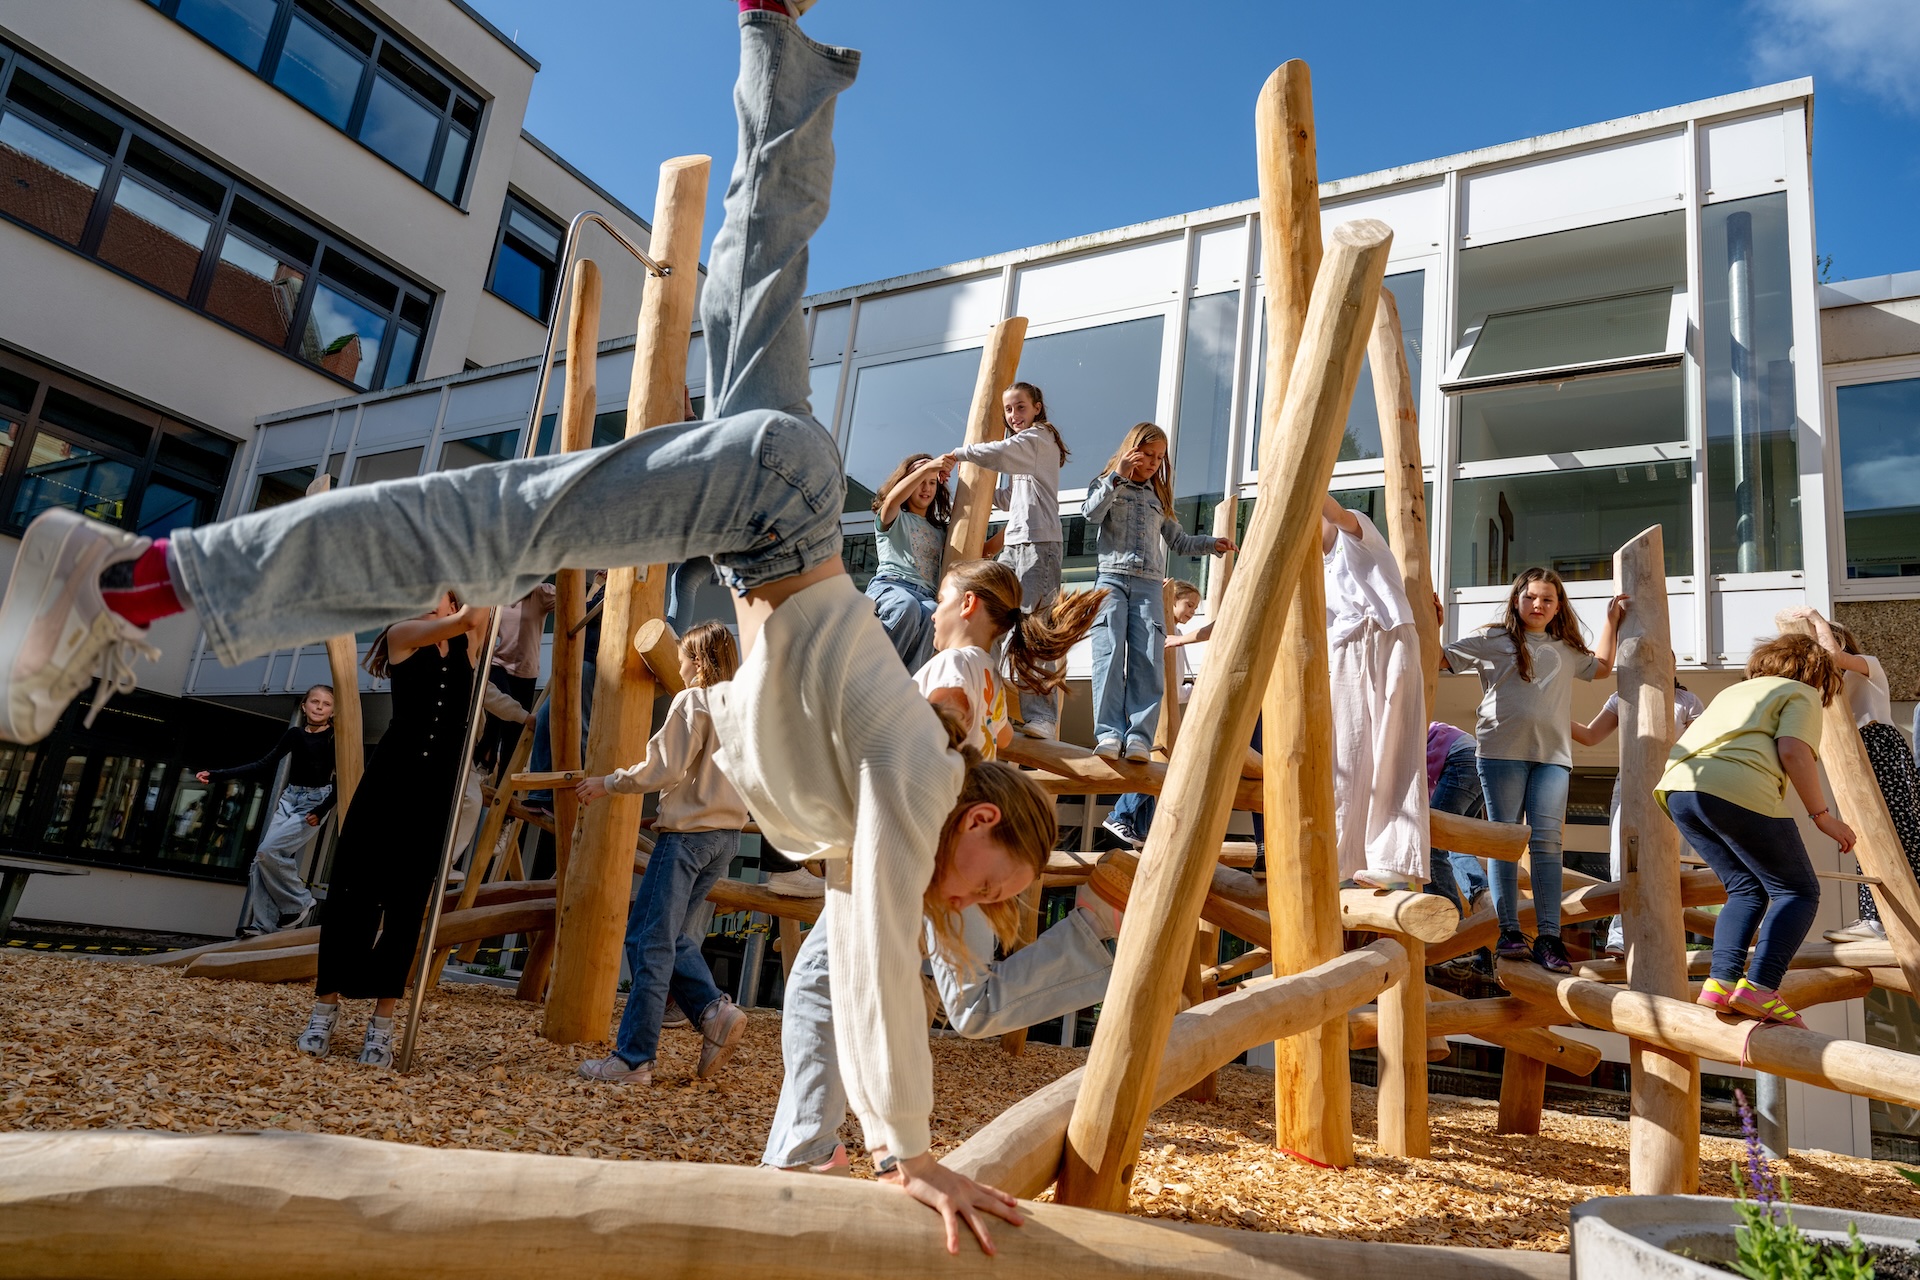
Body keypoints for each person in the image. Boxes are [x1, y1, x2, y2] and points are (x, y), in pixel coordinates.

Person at [0, 6, 1035, 1251]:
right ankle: (129, 579)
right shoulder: (919, 782)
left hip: (778, 511)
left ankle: (772, 32)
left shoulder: (886, 777)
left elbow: (844, 925)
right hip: (776, 508)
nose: (965, 905)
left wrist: (876, 1128)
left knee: (765, 250)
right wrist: (910, 1146)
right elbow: (870, 949)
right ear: (982, 821)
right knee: (496, 522)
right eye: (992, 885)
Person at [764, 559, 1104, 1171]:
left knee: (822, 983)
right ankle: (1097, 936)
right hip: (959, 849)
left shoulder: (954, 664)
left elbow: (936, 726)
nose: (932, 615)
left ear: (968, 604)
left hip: (928, 842)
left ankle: (811, 1150)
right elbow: (995, 745)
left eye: (940, 600)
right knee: (958, 1001)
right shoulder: (992, 680)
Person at [296, 595, 488, 1066]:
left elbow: (478, 615)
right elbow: (468, 615)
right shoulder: (402, 633)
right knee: (353, 894)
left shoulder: (468, 641)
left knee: (407, 904)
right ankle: (325, 1009)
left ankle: (381, 1023)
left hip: (436, 788)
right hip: (389, 782)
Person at [576, 622, 751, 1086]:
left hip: (688, 836)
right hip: (726, 838)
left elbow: (664, 767)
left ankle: (635, 1058)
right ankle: (713, 1013)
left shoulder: (693, 701)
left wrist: (609, 782)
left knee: (647, 941)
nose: (678, 667)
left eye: (682, 658)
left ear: (697, 661)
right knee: (671, 938)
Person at [1657, 633, 1857, 1026]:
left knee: (1746, 888)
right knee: (1797, 891)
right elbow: (1794, 751)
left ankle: (1720, 984)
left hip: (1679, 790)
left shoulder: (1733, 693)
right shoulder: (1800, 692)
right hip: (1734, 787)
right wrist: (1822, 816)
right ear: (1817, 673)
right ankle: (1761, 987)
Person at [1441, 568, 1626, 972]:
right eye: (1530, 597)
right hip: (1500, 754)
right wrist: (1432, 622)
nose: (1537, 605)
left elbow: (1601, 668)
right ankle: (1508, 932)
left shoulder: (1565, 648)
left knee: (1547, 844)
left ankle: (1549, 938)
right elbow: (1441, 659)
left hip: (1553, 758)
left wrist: (1611, 622)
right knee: (1506, 840)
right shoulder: (1493, 639)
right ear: (1516, 600)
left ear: (1558, 607)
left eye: (1547, 599)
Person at [1082, 423, 1234, 762]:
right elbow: (1091, 514)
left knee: (1148, 659)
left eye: (1159, 457)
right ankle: (1109, 734)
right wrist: (1117, 476)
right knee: (1108, 655)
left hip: (1149, 585)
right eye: (1148, 454)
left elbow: (1178, 541)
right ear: (1132, 450)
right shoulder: (1107, 482)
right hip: (1111, 579)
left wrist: (1212, 544)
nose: (1153, 463)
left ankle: (1139, 738)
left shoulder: (1158, 496)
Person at [938, 381, 1069, 739]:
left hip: (1039, 544)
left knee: (1033, 628)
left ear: (1038, 408)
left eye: (1020, 407)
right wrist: (970, 489)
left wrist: (961, 453)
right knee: (993, 619)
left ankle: (1042, 716)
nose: (1013, 415)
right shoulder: (1024, 449)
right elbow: (1010, 498)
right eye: (1008, 410)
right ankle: (987, 700)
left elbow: (999, 453)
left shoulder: (1039, 438)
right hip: (1014, 545)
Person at [1786, 608, 1920, 944]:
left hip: (1881, 747)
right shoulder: (1828, 687)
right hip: (1855, 756)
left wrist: (1816, 618)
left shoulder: (1868, 666)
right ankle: (1875, 918)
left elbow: (1834, 656)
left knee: (1900, 831)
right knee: (1864, 834)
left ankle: (1887, 918)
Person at [1322, 495, 1427, 889]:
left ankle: (1393, 858)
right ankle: (1344, 860)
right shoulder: (1313, 569)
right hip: (1345, 652)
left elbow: (1333, 512)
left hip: (1387, 635)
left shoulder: (1355, 529)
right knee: (1345, 756)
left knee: (1395, 743)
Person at [1570, 679, 1706, 956]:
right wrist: (1552, 712)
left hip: (1674, 781)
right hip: (1631, 780)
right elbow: (1591, 736)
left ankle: (1668, 935)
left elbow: (1697, 747)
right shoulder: (1622, 697)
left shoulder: (1687, 701)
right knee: (1624, 859)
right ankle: (1621, 934)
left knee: (1676, 860)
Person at [198, 684, 336, 938]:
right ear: (304, 706)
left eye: (326, 704)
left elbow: (344, 781)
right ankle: (264, 926)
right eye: (314, 702)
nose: (319, 707)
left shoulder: (334, 738)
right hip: (290, 798)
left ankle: (299, 901)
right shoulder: (295, 734)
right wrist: (217, 775)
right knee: (261, 858)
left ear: (333, 711)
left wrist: (322, 808)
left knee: (270, 850)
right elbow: (264, 763)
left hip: (315, 802)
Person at [1103, 578, 1202, 849]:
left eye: (1196, 607)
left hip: (1158, 707)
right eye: (1189, 604)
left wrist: (1195, 689)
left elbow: (1175, 689)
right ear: (1172, 600)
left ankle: (1138, 827)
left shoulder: (1175, 635)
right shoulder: (1160, 630)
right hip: (1150, 709)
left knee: (1153, 767)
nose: (1192, 611)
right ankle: (1121, 816)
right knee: (1158, 766)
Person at [866, 452, 951, 671]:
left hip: (925, 597)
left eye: (932, 482)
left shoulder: (941, 531)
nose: (926, 488)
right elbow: (892, 500)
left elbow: (984, 550)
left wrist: (1017, 526)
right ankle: (872, 672)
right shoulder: (893, 516)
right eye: (920, 480)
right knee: (907, 606)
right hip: (892, 587)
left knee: (934, 614)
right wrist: (929, 468)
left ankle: (906, 684)